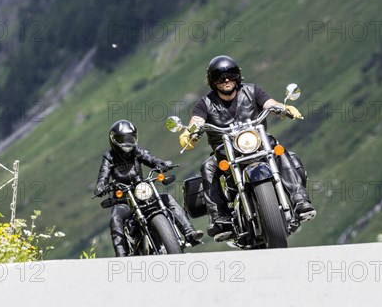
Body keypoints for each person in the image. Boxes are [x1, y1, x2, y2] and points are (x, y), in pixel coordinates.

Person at [178, 55, 316, 237]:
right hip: (224, 151)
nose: (226, 80)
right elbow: (197, 120)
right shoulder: (206, 103)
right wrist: (190, 132)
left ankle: (300, 200)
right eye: (220, 76)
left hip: (257, 143)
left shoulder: (252, 91)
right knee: (208, 166)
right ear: (212, 81)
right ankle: (220, 218)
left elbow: (269, 103)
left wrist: (282, 108)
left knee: (279, 150)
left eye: (230, 74)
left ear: (237, 76)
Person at [95, 119, 203, 257]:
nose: (127, 142)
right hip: (124, 200)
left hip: (141, 193)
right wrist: (101, 187)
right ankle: (121, 256)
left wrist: (161, 164)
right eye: (123, 138)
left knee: (167, 199)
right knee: (115, 218)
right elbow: (103, 174)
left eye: (130, 138)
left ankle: (189, 233)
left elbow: (149, 158)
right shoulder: (109, 157)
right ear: (114, 139)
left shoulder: (136, 150)